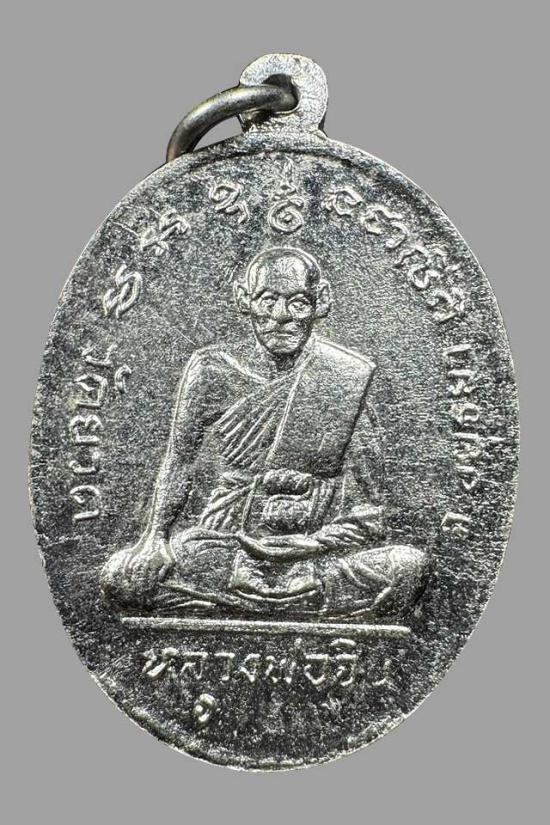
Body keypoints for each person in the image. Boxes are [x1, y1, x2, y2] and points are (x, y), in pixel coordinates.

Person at [101, 246, 428, 619]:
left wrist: (310, 544)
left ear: (320, 302)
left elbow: (368, 514)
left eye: (298, 303)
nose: (281, 316)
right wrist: (154, 539)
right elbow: (180, 461)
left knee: (409, 567)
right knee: (122, 579)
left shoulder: (345, 377)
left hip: (314, 552)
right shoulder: (212, 370)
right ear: (245, 300)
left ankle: (252, 602)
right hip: (225, 545)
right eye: (268, 301)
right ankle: (289, 602)